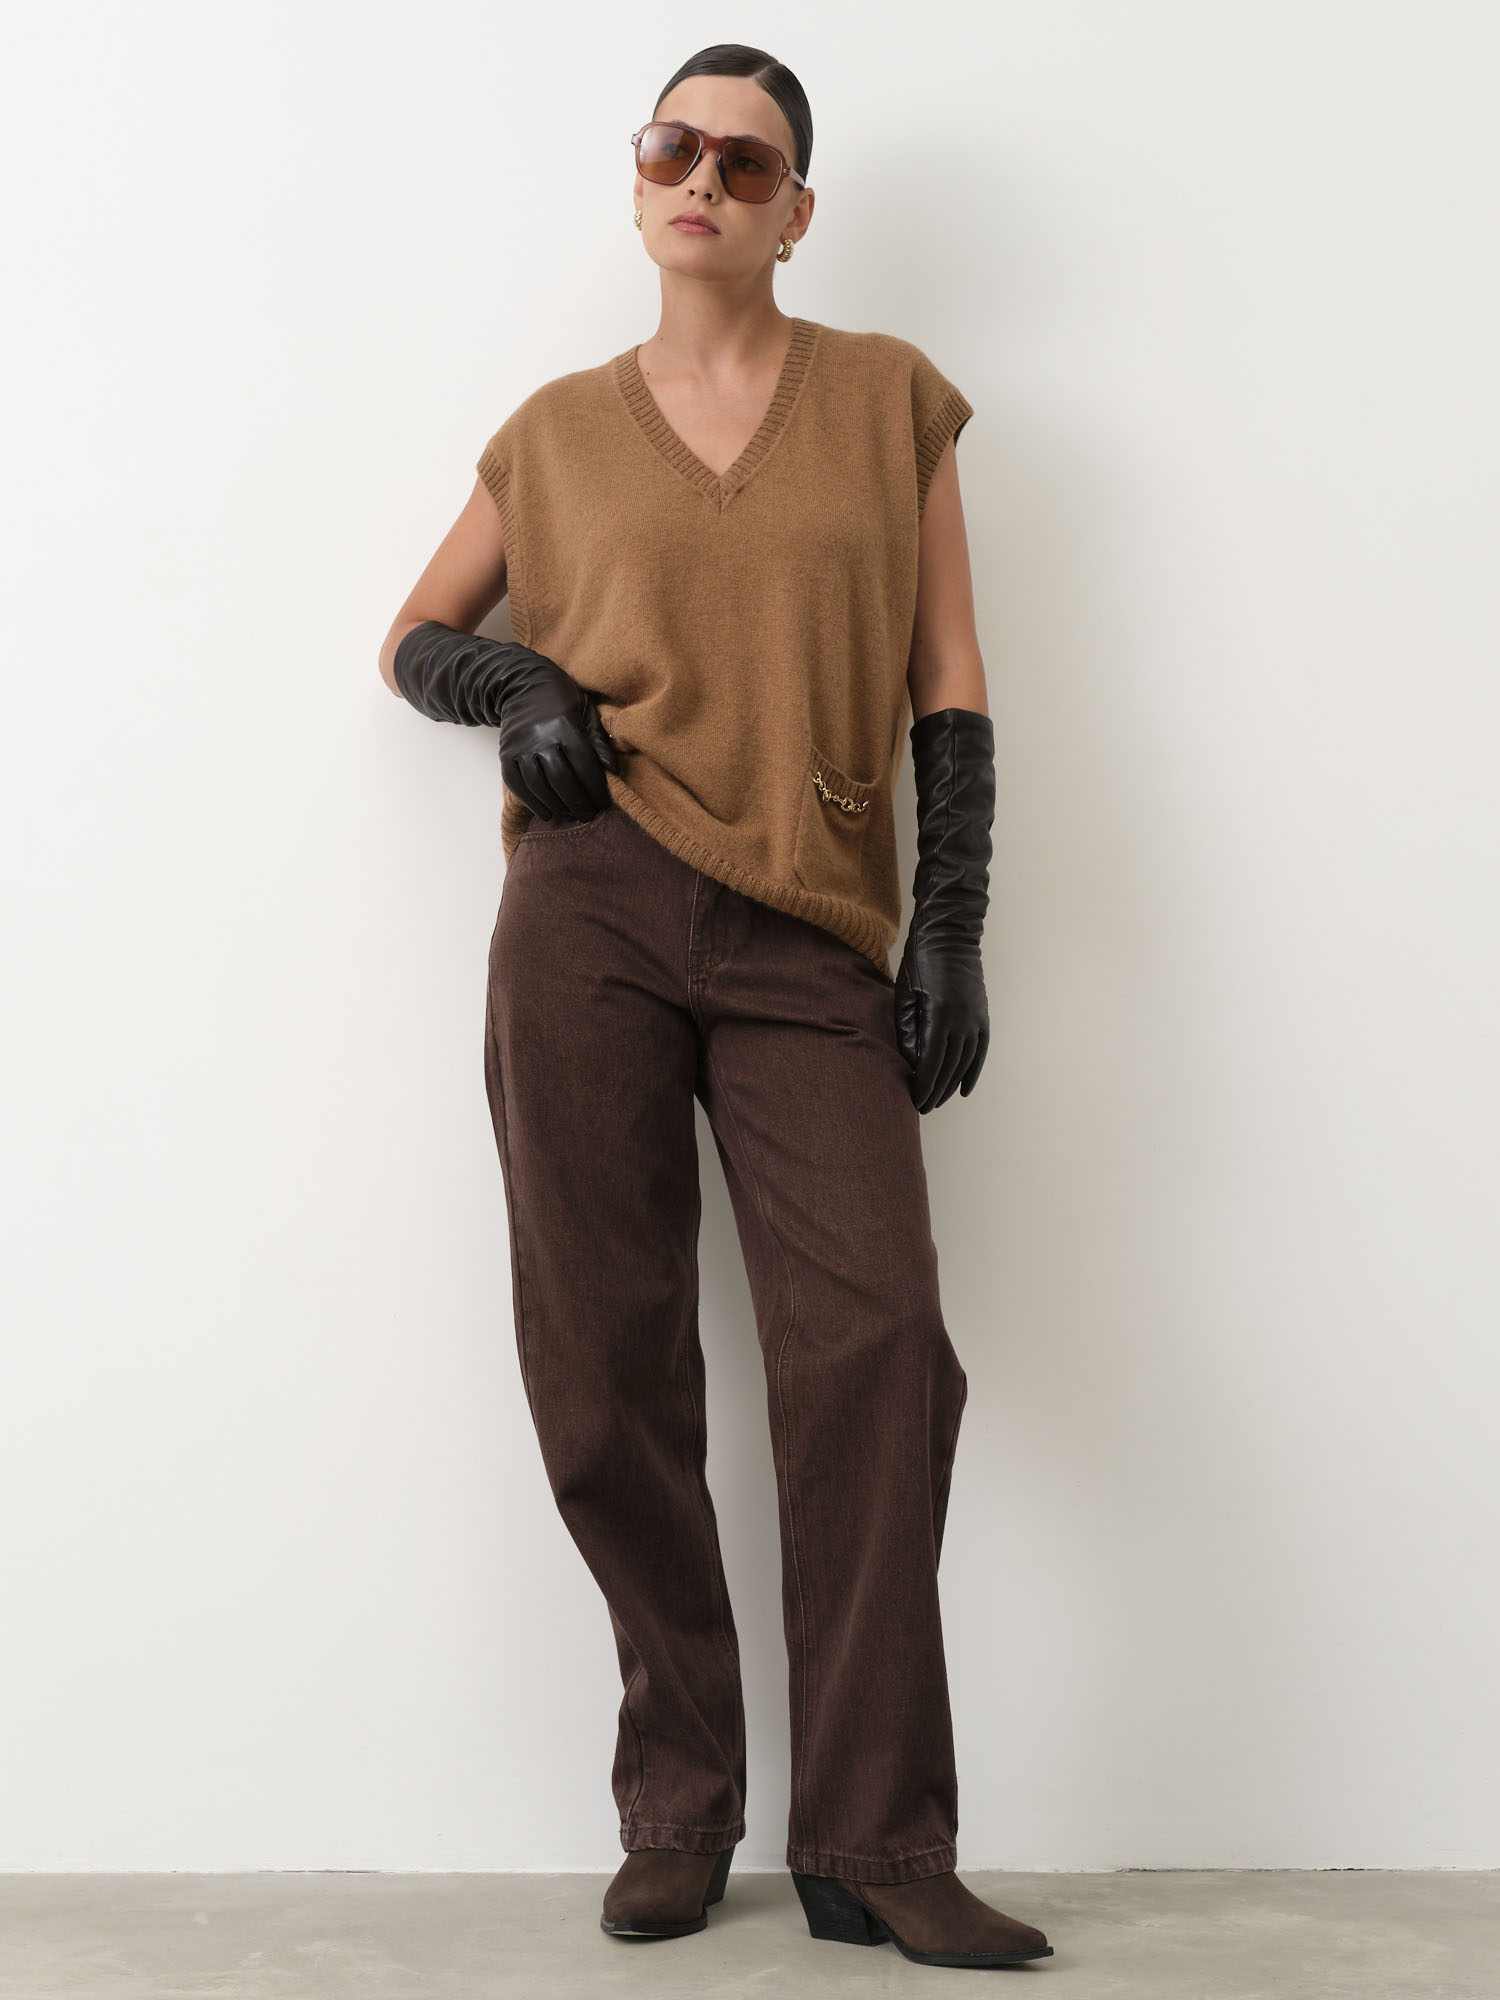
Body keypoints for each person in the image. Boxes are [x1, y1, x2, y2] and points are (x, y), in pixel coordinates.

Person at [378, 41, 1054, 1974]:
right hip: (586, 908)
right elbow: (415, 632)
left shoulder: (892, 402)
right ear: (639, 177)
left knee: (878, 1347)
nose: (703, 181)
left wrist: (951, 919)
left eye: (746, 163)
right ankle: (678, 1807)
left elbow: (948, 672)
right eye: (674, 147)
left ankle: (875, 1840)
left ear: (796, 211)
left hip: (810, 928)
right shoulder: (555, 430)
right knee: (606, 1356)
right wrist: (519, 691)